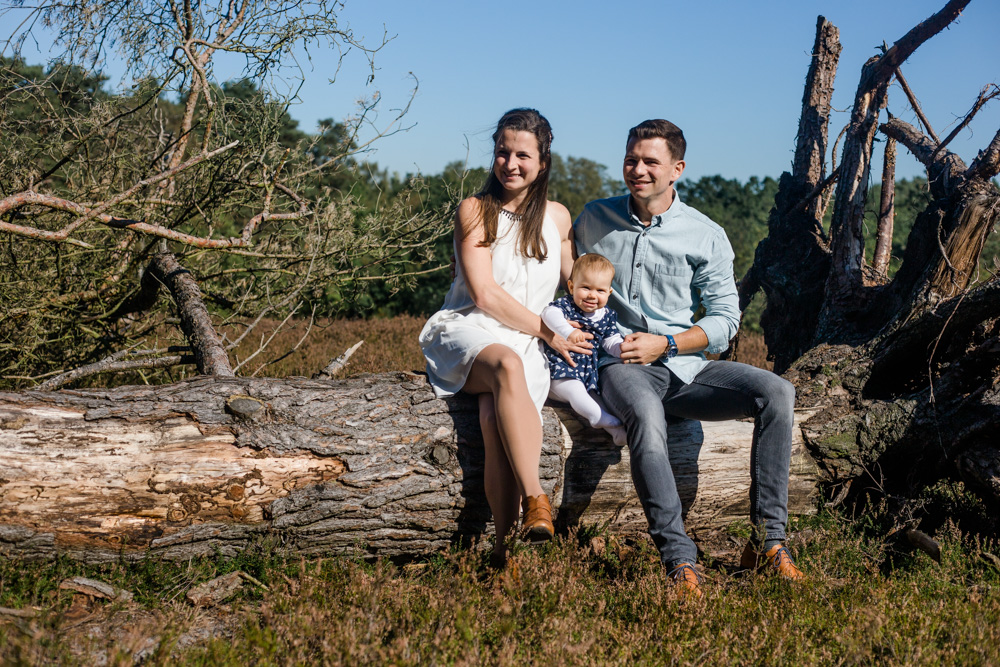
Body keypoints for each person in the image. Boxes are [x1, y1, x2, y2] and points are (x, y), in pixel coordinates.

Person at [574, 119, 804, 597]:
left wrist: (671, 344)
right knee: (644, 412)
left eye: (650, 161)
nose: (638, 169)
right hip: (621, 365)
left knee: (778, 392)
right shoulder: (593, 219)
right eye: (631, 159)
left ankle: (768, 542)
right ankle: (680, 561)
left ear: (676, 169)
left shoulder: (706, 234)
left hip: (684, 369)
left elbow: (725, 320)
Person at [419, 108, 586, 567]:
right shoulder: (475, 210)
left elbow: (576, 282)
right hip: (470, 329)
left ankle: (500, 553)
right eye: (502, 152)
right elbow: (484, 294)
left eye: (522, 155)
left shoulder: (557, 217)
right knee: (506, 365)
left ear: (543, 162)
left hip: (529, 340)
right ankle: (537, 499)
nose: (510, 163)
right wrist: (548, 332)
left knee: (495, 423)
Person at [540, 253, 628, 447]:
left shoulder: (606, 316)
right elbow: (549, 314)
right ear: (571, 287)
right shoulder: (567, 305)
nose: (592, 295)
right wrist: (567, 331)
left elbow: (611, 340)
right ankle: (596, 418)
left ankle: (616, 432)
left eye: (600, 290)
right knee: (576, 391)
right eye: (586, 287)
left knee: (597, 398)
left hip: (587, 373)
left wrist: (622, 350)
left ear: (609, 293)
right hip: (560, 370)